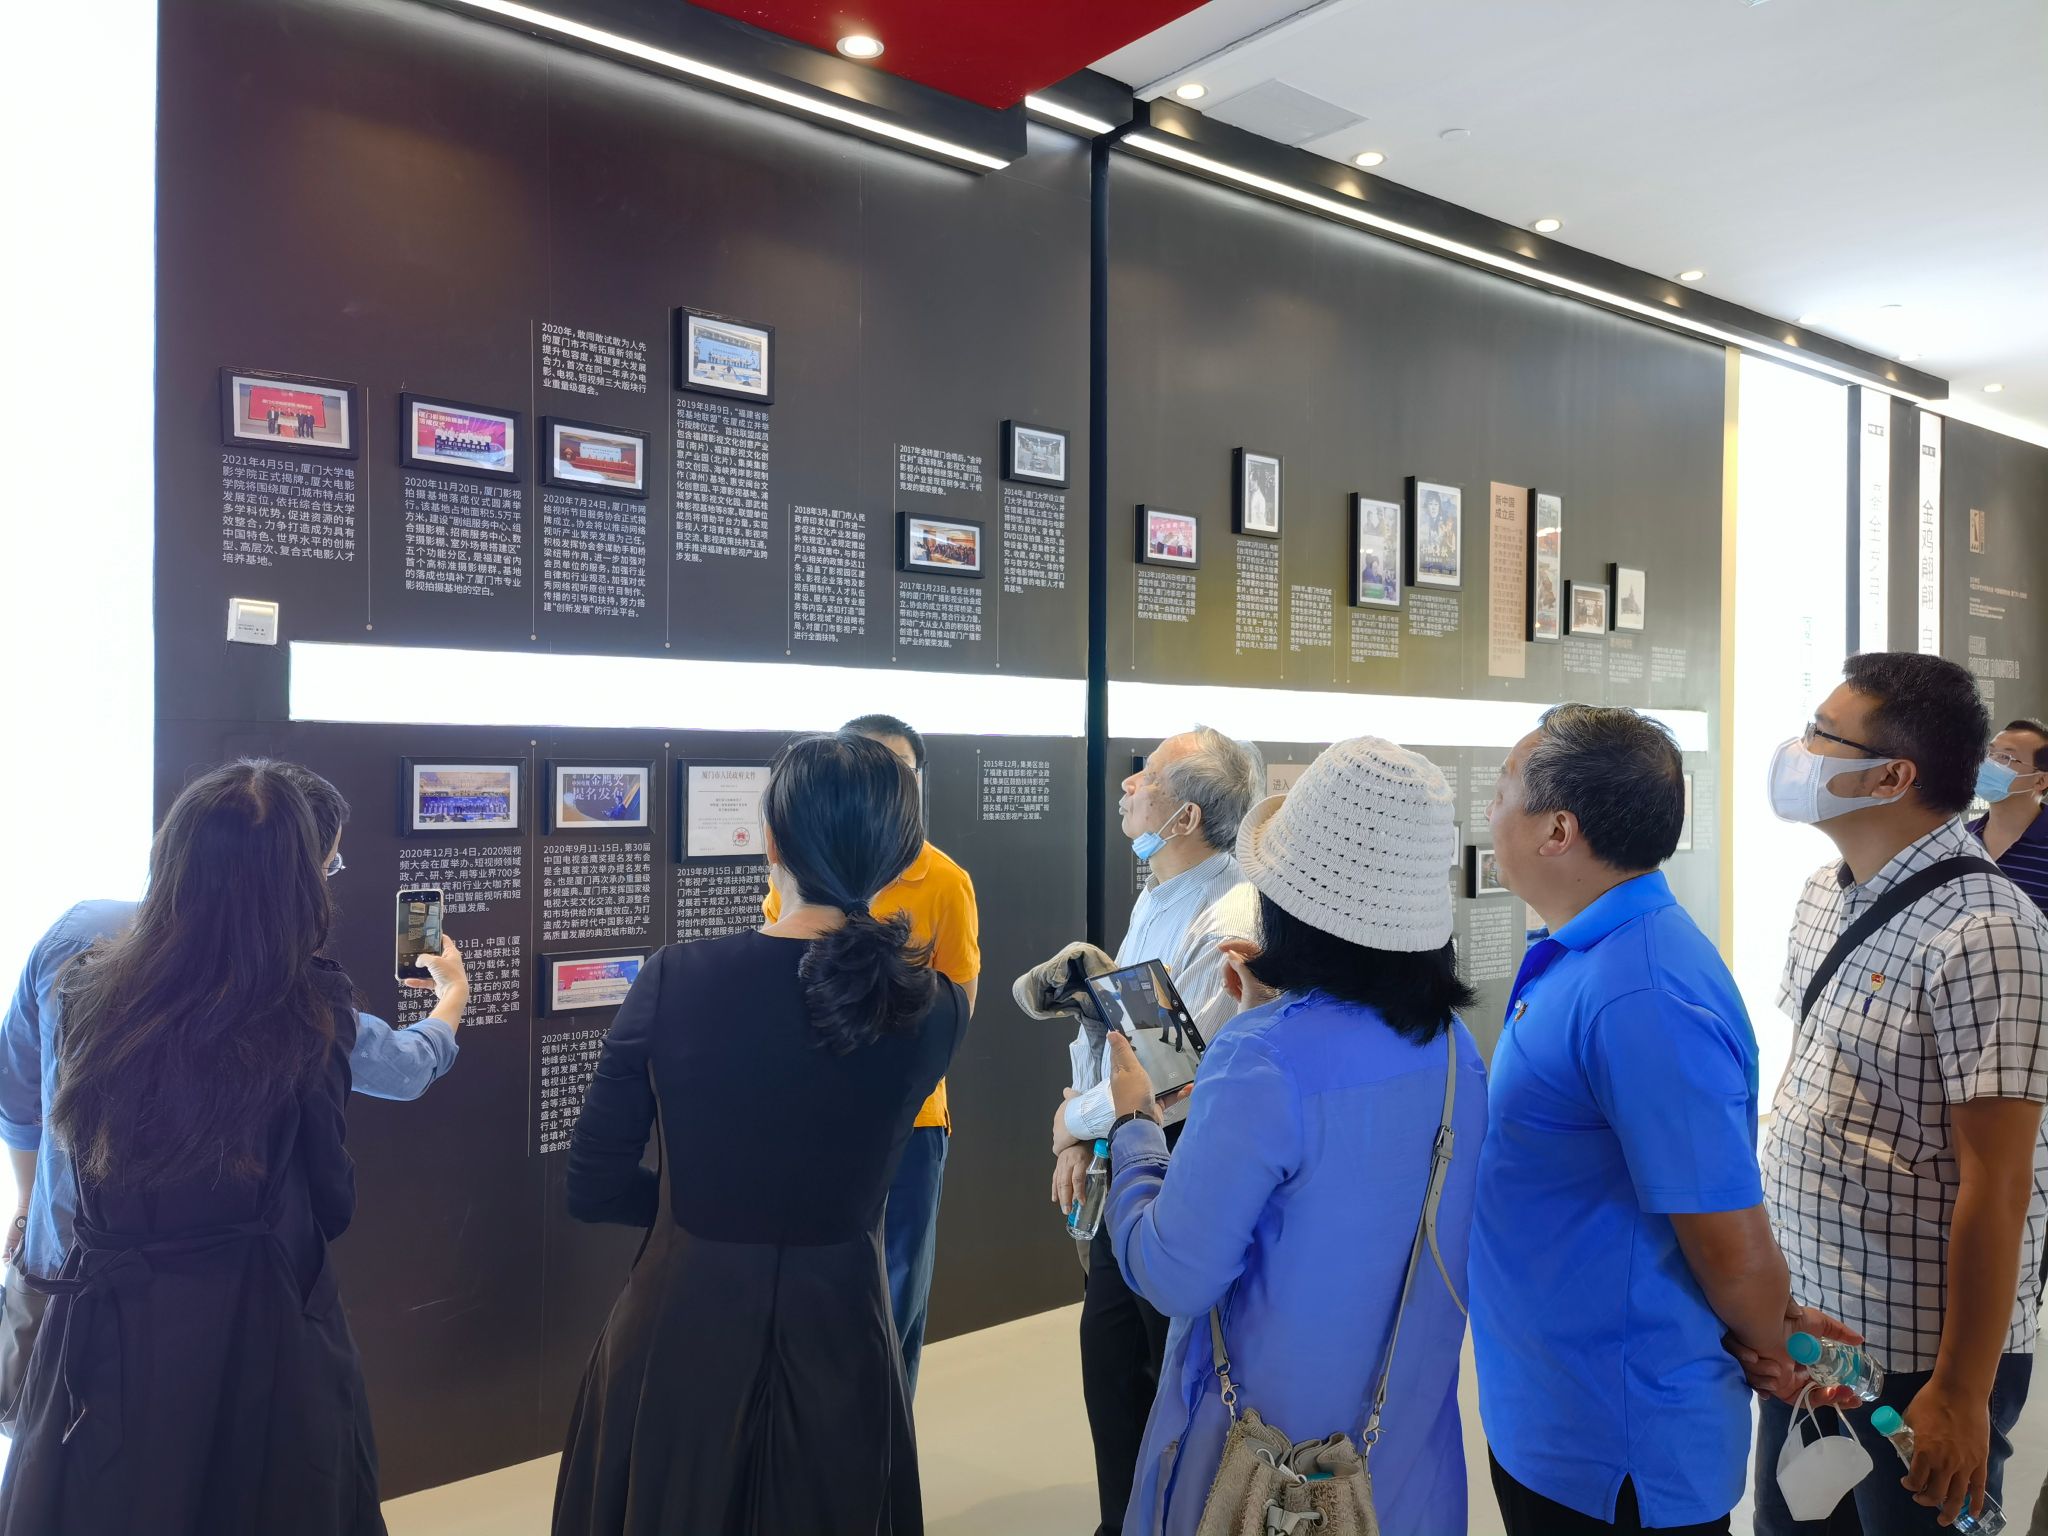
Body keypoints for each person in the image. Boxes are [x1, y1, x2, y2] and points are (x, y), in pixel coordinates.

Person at [553, 732, 968, 1536]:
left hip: (681, 1328)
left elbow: (593, 1184)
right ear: (898, 855)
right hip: (845, 1332)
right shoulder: (934, 1007)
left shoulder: (676, 978)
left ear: (772, 842)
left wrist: (681, 1213)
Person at [1100, 737, 1484, 1534]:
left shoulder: (1260, 1057)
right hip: (1399, 1464)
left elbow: (1174, 1273)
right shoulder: (1455, 1051)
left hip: (1259, 1475)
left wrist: (1134, 1125)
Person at [0, 760, 387, 1534]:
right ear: (298, 882)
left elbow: (29, 1106)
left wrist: (26, 1203)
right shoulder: (310, 1008)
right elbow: (330, 1200)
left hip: (107, 1326)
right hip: (254, 1329)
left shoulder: (85, 984)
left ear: (171, 858)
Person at [1472, 704, 1811, 1536]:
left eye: (1502, 789)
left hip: (1617, 1443)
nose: (1488, 808)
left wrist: (1773, 1340)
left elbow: (1729, 1240)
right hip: (1551, 1407)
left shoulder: (1644, 995)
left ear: (1557, 829)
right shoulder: (1585, 952)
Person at [1756, 653, 2048, 1534]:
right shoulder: (1824, 895)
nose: (1799, 752)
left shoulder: (1989, 931)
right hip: (1818, 1333)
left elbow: (2000, 1183)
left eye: (1822, 735)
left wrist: (1960, 1391)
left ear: (1891, 777)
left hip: (1921, 1358)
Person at [1023, 726, 1260, 1536]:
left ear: (1186, 817)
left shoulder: (1227, 916)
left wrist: (1071, 1120)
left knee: (1166, 1371)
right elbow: (1120, 1040)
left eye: (1147, 777)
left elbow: (1172, 1079)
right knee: (1112, 1362)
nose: (1128, 785)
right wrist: (1079, 1135)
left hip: (1180, 1165)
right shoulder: (1156, 898)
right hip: (1129, 1153)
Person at [760, 712, 979, 1394]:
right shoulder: (800, 872)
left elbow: (957, 1005)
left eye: (899, 774)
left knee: (895, 1298)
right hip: (810, 1111)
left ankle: (887, 1444)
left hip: (908, 1120)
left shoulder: (944, 880)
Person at [1970, 717, 2048, 914]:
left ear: (2040, 781)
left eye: (2005, 757)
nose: (1988, 763)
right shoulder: (1961, 837)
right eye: (1988, 753)